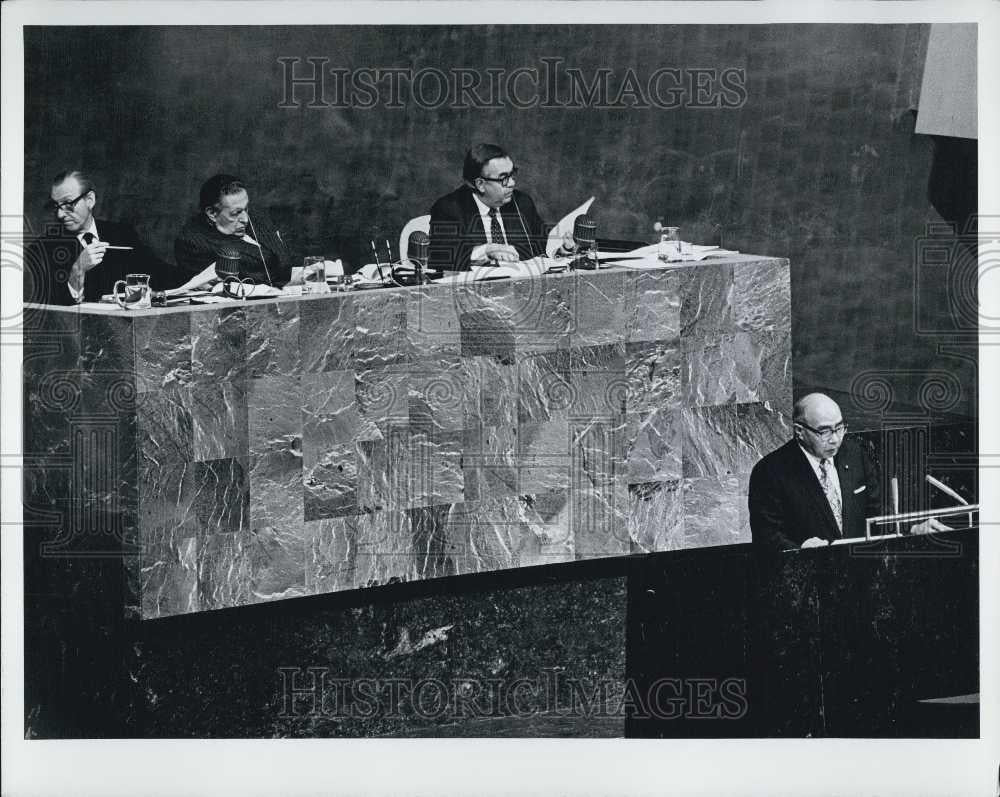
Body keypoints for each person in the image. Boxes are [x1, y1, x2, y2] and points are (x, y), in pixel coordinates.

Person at [749, 392, 950, 552]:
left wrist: (911, 530)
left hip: (860, 574)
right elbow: (767, 537)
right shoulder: (770, 471)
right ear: (800, 431)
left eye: (839, 428)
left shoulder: (855, 455)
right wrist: (800, 551)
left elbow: (877, 513)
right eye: (824, 431)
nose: (835, 439)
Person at [24, 170, 175, 305]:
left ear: (90, 200)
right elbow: (50, 311)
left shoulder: (122, 234)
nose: (60, 214)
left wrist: (195, 279)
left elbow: (158, 271)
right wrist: (78, 269)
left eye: (68, 204)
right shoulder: (42, 248)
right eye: (56, 206)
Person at [428, 143, 572, 272]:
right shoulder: (449, 208)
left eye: (512, 174)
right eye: (503, 178)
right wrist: (486, 250)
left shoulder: (521, 203)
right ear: (480, 184)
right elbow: (440, 257)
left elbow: (540, 248)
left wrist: (561, 250)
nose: (511, 183)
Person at [174, 174, 291, 286]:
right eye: (236, 213)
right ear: (212, 213)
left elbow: (284, 258)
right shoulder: (192, 242)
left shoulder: (256, 217)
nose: (245, 219)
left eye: (246, 209)